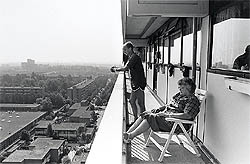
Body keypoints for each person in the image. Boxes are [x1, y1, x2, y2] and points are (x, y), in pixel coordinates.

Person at [123, 77, 200, 143]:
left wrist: (167, 115)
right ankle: (128, 133)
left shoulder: (192, 100)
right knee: (145, 113)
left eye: (182, 88)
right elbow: (169, 105)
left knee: (149, 117)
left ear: (189, 88)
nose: (179, 89)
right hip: (167, 118)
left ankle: (130, 136)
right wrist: (158, 110)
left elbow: (187, 115)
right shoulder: (179, 95)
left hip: (176, 123)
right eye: (179, 88)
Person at [111, 41, 146, 121]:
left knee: (141, 103)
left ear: (130, 48)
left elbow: (125, 68)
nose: (124, 52)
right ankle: (136, 119)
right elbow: (125, 66)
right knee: (132, 101)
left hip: (139, 83)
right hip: (135, 84)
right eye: (123, 50)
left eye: (125, 50)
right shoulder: (131, 57)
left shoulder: (134, 57)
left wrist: (115, 69)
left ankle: (143, 120)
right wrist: (116, 67)